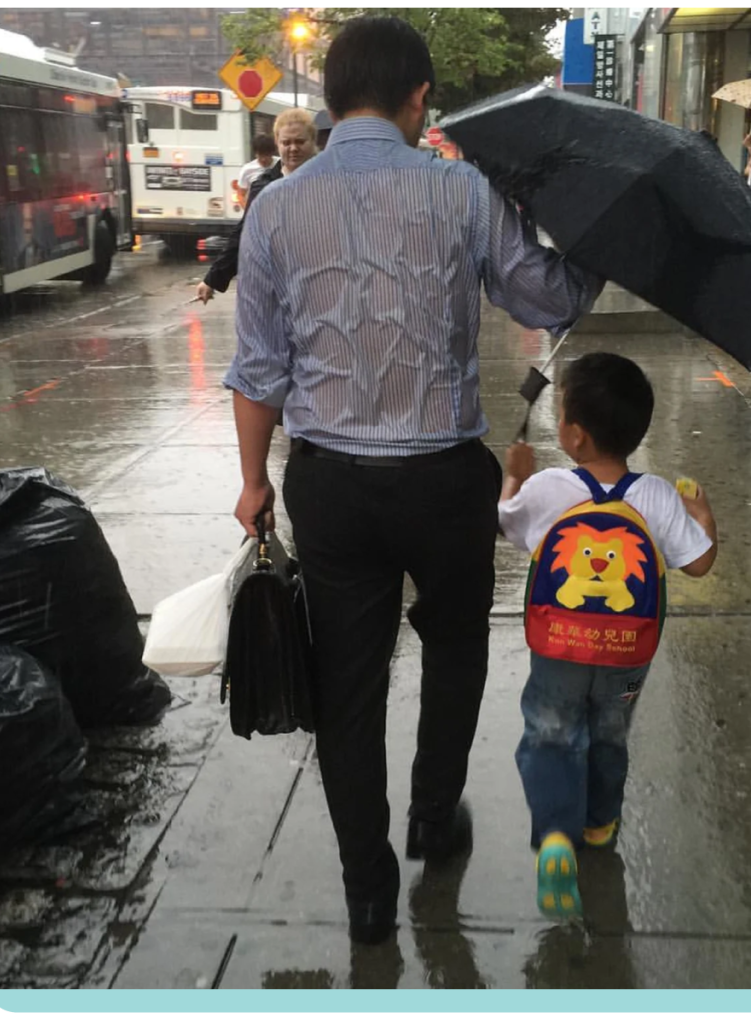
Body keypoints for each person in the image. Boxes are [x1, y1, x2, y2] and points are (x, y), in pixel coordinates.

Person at [223, 15, 602, 946]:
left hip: (331, 488)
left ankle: (365, 887)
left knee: (345, 681)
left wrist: (250, 484)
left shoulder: (272, 207)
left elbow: (257, 370)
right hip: (443, 484)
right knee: (455, 648)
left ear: (328, 95)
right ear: (417, 98)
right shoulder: (466, 192)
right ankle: (435, 814)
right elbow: (549, 298)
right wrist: (580, 236)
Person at [497, 353, 718, 919]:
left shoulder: (548, 489)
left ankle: (554, 836)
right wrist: (703, 516)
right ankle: (598, 827)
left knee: (551, 732)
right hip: (625, 658)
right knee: (610, 733)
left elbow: (505, 521)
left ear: (573, 435)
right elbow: (698, 564)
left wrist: (514, 475)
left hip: (559, 649)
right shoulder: (659, 497)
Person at [195, 109, 317, 304]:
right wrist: (213, 279)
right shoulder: (263, 187)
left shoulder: (329, 182)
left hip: (320, 287)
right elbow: (244, 234)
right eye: (287, 142)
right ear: (278, 143)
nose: (293, 148)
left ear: (313, 141)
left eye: (300, 141)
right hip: (276, 288)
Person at [234, 134, 279, 206]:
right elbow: (241, 195)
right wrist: (249, 211)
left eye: (266, 155)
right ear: (255, 153)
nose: (263, 159)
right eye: (260, 155)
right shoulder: (247, 170)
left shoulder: (281, 164)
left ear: (272, 152)